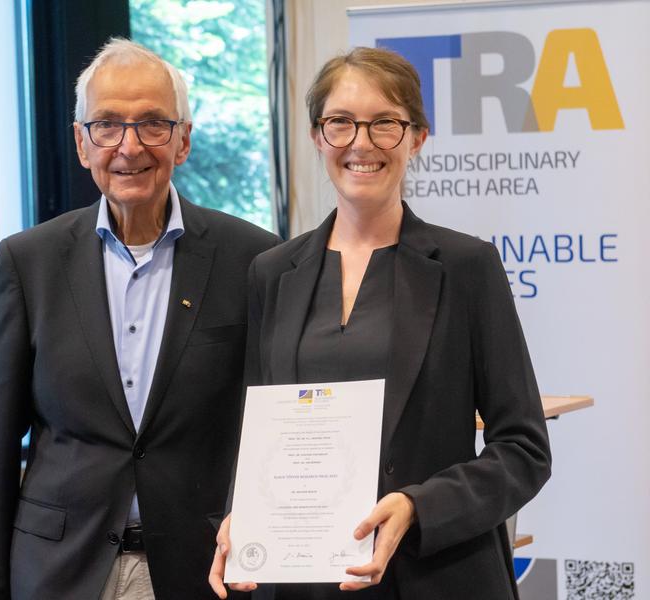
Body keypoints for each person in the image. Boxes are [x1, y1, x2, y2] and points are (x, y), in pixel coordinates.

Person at [209, 47, 551, 600]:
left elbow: (525, 448)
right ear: (318, 136)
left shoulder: (467, 268)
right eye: (340, 123)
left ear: (416, 137)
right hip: (304, 581)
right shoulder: (272, 274)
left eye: (384, 123)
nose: (361, 143)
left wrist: (420, 505)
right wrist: (242, 519)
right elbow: (258, 437)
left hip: (434, 577)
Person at [0, 38, 278, 600]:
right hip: (60, 572)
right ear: (83, 144)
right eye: (107, 125)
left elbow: (273, 431)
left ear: (183, 141)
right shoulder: (28, 262)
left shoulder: (253, 258)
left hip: (205, 572)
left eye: (153, 124)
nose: (129, 146)